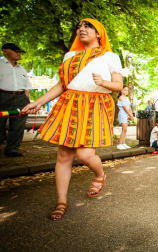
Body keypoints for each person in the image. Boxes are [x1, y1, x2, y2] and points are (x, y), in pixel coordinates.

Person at [21, 19, 123, 220]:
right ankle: (61, 202)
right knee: (64, 157)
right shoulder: (70, 55)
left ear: (99, 33)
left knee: (85, 156)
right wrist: (38, 102)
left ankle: (100, 174)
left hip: (95, 105)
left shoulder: (109, 56)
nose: (81, 30)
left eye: (87, 27)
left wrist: (104, 82)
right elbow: (63, 85)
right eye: (79, 27)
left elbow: (119, 85)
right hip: (70, 104)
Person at [0, 43, 32, 157]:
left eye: (19, 52)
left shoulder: (21, 68)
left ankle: (12, 149)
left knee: (18, 125)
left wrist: (27, 100)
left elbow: (26, 87)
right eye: (15, 51)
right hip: (3, 95)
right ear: (5, 51)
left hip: (20, 97)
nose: (18, 54)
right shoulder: (1, 64)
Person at [117, 85, 134, 150]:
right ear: (121, 90)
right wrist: (131, 115)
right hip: (123, 115)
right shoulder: (121, 98)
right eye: (124, 90)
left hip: (127, 115)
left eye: (127, 90)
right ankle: (120, 144)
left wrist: (131, 114)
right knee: (124, 129)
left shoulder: (126, 98)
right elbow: (125, 108)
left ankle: (123, 143)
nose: (126, 91)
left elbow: (129, 107)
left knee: (125, 130)